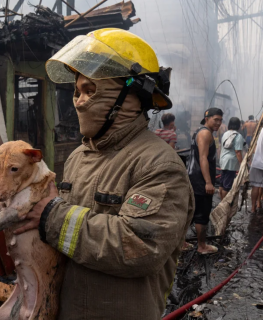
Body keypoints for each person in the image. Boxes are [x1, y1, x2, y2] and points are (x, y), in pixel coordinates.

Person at [13, 28, 194, 320]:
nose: (79, 101)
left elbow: (139, 245)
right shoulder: (78, 157)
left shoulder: (159, 165)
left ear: (131, 94)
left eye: (90, 90)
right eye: (77, 91)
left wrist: (51, 216)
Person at [188, 108, 223, 254]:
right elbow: (203, 158)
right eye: (216, 119)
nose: (218, 123)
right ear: (207, 118)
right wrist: (208, 182)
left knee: (190, 211)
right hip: (200, 180)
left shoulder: (202, 131)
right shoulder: (205, 133)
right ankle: (202, 246)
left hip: (194, 177)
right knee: (202, 214)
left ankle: (181, 242)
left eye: (220, 120)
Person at [219, 117, 244, 200]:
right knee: (227, 185)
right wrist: (242, 164)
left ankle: (222, 202)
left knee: (222, 184)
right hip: (231, 163)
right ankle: (224, 204)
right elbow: (238, 152)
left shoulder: (225, 134)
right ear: (238, 125)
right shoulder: (238, 136)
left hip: (223, 161)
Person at [249, 127, 263, 213]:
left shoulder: (261, 130)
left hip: (257, 162)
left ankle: (254, 207)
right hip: (258, 162)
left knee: (256, 185)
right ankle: (258, 203)